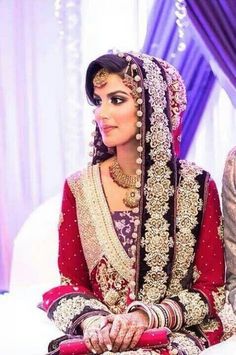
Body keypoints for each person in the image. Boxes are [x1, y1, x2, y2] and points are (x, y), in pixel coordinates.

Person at [41, 52, 225, 355]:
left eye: (116, 100)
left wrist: (143, 318)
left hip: (167, 333)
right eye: (98, 102)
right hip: (102, 336)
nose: (101, 113)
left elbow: (211, 289)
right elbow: (71, 281)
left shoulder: (196, 185)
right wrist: (95, 324)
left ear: (152, 105)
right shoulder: (80, 187)